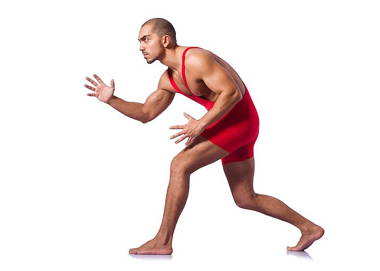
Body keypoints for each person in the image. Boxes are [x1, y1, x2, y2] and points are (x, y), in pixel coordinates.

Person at [84, 18, 324, 255]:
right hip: (236, 125)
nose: (141, 47)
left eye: (146, 39)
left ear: (165, 39)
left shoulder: (196, 58)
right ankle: (309, 227)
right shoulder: (168, 79)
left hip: (238, 123)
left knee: (180, 164)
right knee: (245, 197)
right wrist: (111, 99)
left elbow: (233, 92)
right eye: (139, 42)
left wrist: (201, 124)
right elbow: (146, 113)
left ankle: (163, 240)